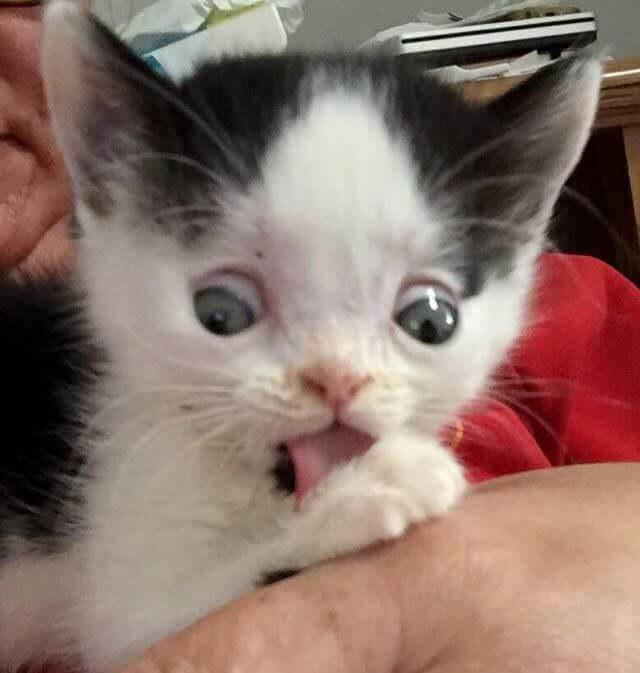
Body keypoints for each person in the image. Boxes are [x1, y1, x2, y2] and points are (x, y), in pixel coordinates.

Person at [1, 2, 639, 671]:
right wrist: (312, 553)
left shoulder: (585, 324)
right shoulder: (147, 434)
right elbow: (139, 636)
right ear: (110, 186)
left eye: (426, 317)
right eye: (225, 309)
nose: (338, 379)